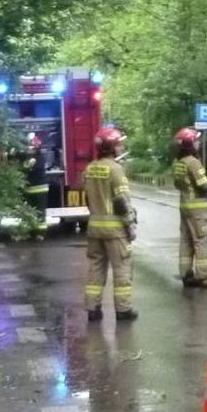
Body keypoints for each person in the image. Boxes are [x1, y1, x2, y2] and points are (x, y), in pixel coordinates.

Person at [82, 127, 137, 322]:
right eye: (119, 144)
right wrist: (130, 224)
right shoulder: (115, 169)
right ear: (112, 147)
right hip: (115, 231)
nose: (121, 147)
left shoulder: (89, 168)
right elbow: (121, 201)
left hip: (94, 228)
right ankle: (123, 310)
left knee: (95, 268)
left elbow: (88, 199)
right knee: (122, 268)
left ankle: (93, 309)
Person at [172, 127, 207, 289]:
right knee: (202, 240)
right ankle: (204, 276)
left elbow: (177, 184)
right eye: (196, 140)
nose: (199, 143)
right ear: (189, 144)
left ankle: (186, 272)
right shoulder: (193, 162)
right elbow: (203, 184)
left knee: (186, 240)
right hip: (197, 209)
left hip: (184, 205)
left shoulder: (178, 163)